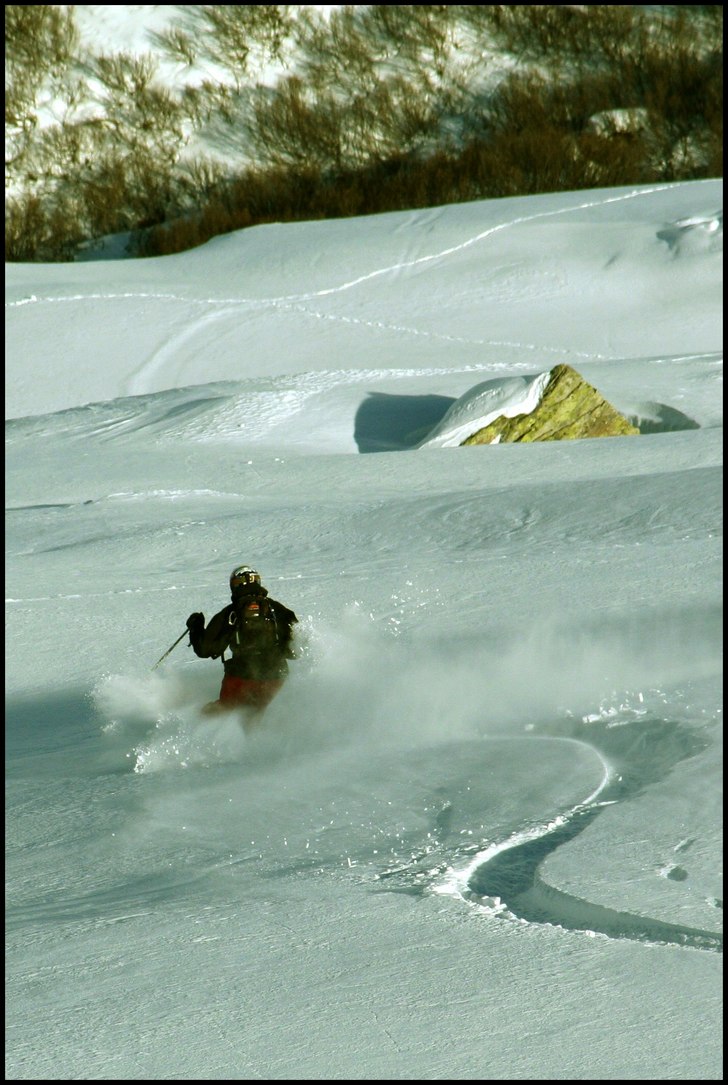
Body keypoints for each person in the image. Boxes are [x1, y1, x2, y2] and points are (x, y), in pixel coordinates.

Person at [186, 565, 298, 719]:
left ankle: (200, 733)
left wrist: (196, 628)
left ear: (234, 585)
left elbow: (206, 649)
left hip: (240, 678)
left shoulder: (231, 613)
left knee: (223, 713)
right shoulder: (278, 610)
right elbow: (297, 644)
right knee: (267, 714)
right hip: (277, 677)